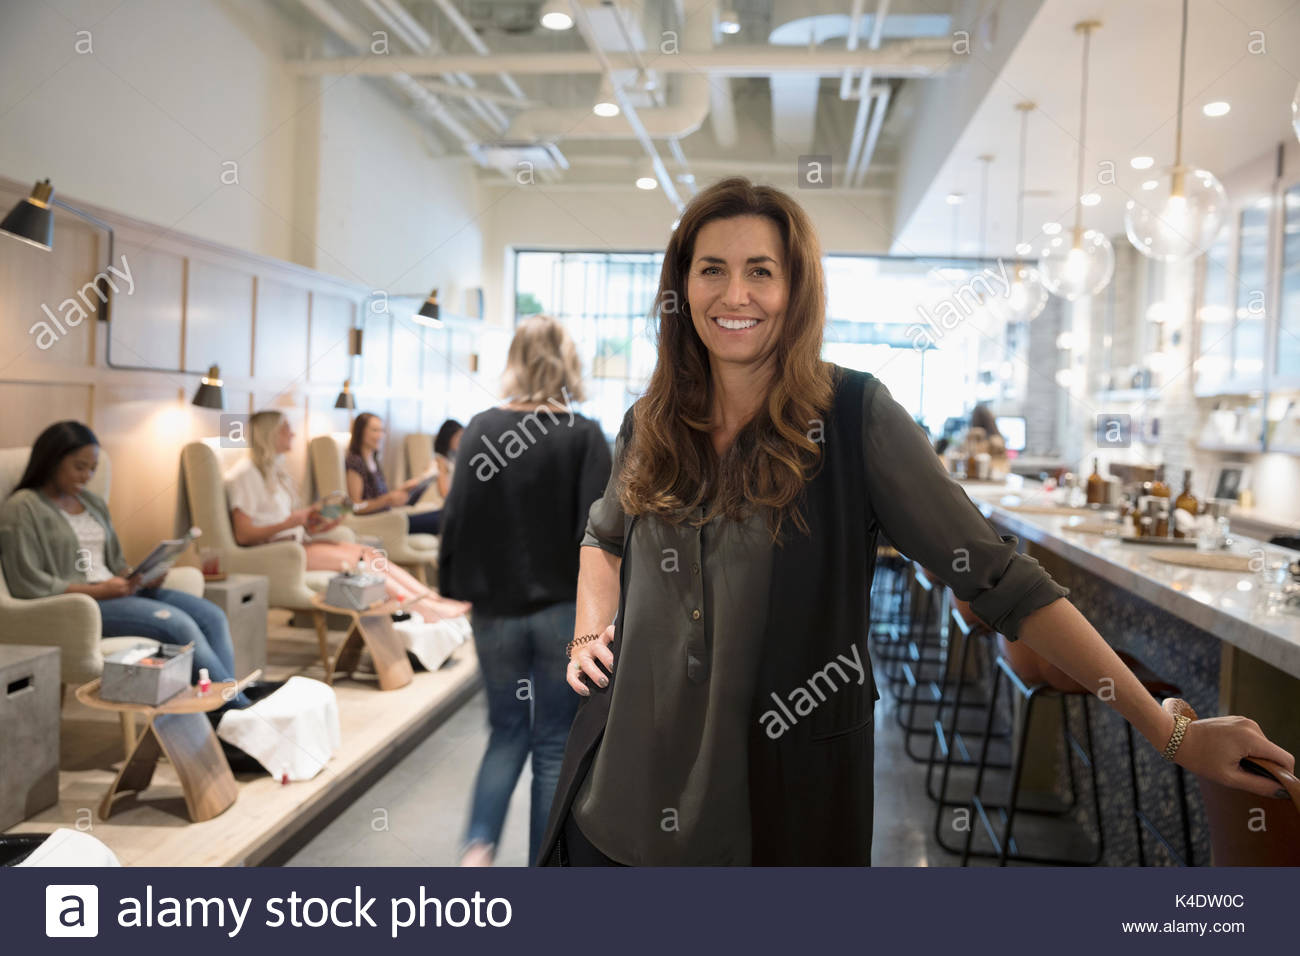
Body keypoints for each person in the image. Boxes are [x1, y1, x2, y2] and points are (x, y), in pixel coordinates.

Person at [539, 176, 1294, 867]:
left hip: (775, 811)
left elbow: (1003, 582)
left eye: (760, 270)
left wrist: (1172, 731)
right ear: (683, 286)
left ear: (794, 288)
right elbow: (602, 538)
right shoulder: (651, 422)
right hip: (617, 805)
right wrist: (586, 631)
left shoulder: (855, 416)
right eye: (712, 269)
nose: (735, 293)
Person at [438, 314, 612, 868]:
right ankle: (542, 869)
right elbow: (601, 533)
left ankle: (477, 850)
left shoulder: (482, 428)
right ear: (568, 363)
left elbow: (456, 519)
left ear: (515, 358)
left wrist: (454, 590)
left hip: (495, 615)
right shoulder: (584, 435)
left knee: (505, 732)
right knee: (555, 742)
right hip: (563, 613)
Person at [0, 421, 249, 706]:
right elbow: (28, 582)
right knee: (180, 628)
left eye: (92, 468)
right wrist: (103, 590)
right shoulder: (23, 507)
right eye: (79, 466)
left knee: (212, 615)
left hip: (118, 592)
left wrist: (139, 575)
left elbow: (115, 562)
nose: (87, 475)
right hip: (80, 606)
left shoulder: (91, 502)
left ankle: (220, 709)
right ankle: (234, 712)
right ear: (52, 461)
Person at [225, 411, 468, 628]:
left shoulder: (274, 473)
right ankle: (424, 609)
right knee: (361, 560)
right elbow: (244, 534)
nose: (293, 433)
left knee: (370, 553)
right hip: (277, 551)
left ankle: (432, 599)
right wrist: (292, 522)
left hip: (293, 541)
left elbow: (286, 520)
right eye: (286, 428)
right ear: (270, 434)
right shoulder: (244, 475)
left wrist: (320, 521)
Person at [344, 413, 442, 535]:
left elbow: (379, 496)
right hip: (377, 521)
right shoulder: (355, 462)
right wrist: (387, 500)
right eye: (375, 430)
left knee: (442, 514)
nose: (380, 435)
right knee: (442, 518)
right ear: (360, 432)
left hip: (389, 516)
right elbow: (355, 506)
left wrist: (404, 489)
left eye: (382, 430)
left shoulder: (373, 460)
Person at [432, 419, 463, 502]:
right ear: (448, 436)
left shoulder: (453, 458)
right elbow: (444, 493)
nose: (461, 441)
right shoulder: (440, 460)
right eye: (458, 437)